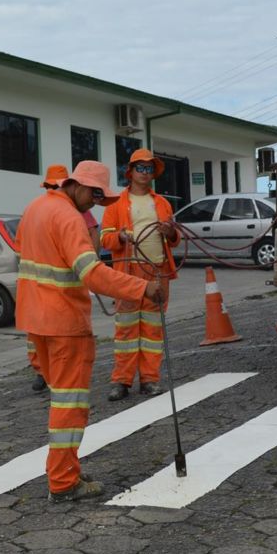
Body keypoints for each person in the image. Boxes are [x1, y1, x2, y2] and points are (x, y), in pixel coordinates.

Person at [16, 160, 162, 502]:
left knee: (60, 400)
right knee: (70, 405)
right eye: (94, 195)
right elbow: (92, 273)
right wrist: (141, 288)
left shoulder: (36, 208)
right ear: (77, 185)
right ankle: (64, 482)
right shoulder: (68, 217)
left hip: (36, 321)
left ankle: (65, 469)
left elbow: (27, 250)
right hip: (63, 323)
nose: (95, 203)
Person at [99, 148, 180, 401]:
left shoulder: (163, 203)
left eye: (149, 169)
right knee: (126, 331)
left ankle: (149, 380)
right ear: (131, 172)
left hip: (157, 273)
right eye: (140, 168)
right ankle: (121, 381)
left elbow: (175, 239)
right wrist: (120, 236)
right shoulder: (116, 204)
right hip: (128, 275)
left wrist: (170, 233)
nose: (145, 173)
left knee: (153, 332)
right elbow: (105, 239)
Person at [25, 164, 101, 394]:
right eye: (50, 186)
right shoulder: (57, 212)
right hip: (55, 307)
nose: (52, 189)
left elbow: (93, 237)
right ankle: (41, 372)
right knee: (66, 392)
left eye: (55, 186)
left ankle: (46, 374)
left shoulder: (38, 209)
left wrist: (90, 263)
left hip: (43, 302)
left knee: (62, 386)